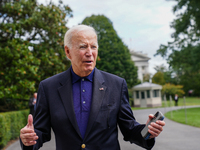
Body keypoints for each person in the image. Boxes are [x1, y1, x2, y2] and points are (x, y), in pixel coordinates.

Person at [20, 25, 165, 150]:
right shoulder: (48, 87)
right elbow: (39, 132)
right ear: (67, 51)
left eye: (93, 46)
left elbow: (130, 130)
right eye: (83, 46)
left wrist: (148, 131)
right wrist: (28, 139)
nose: (89, 52)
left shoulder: (116, 84)